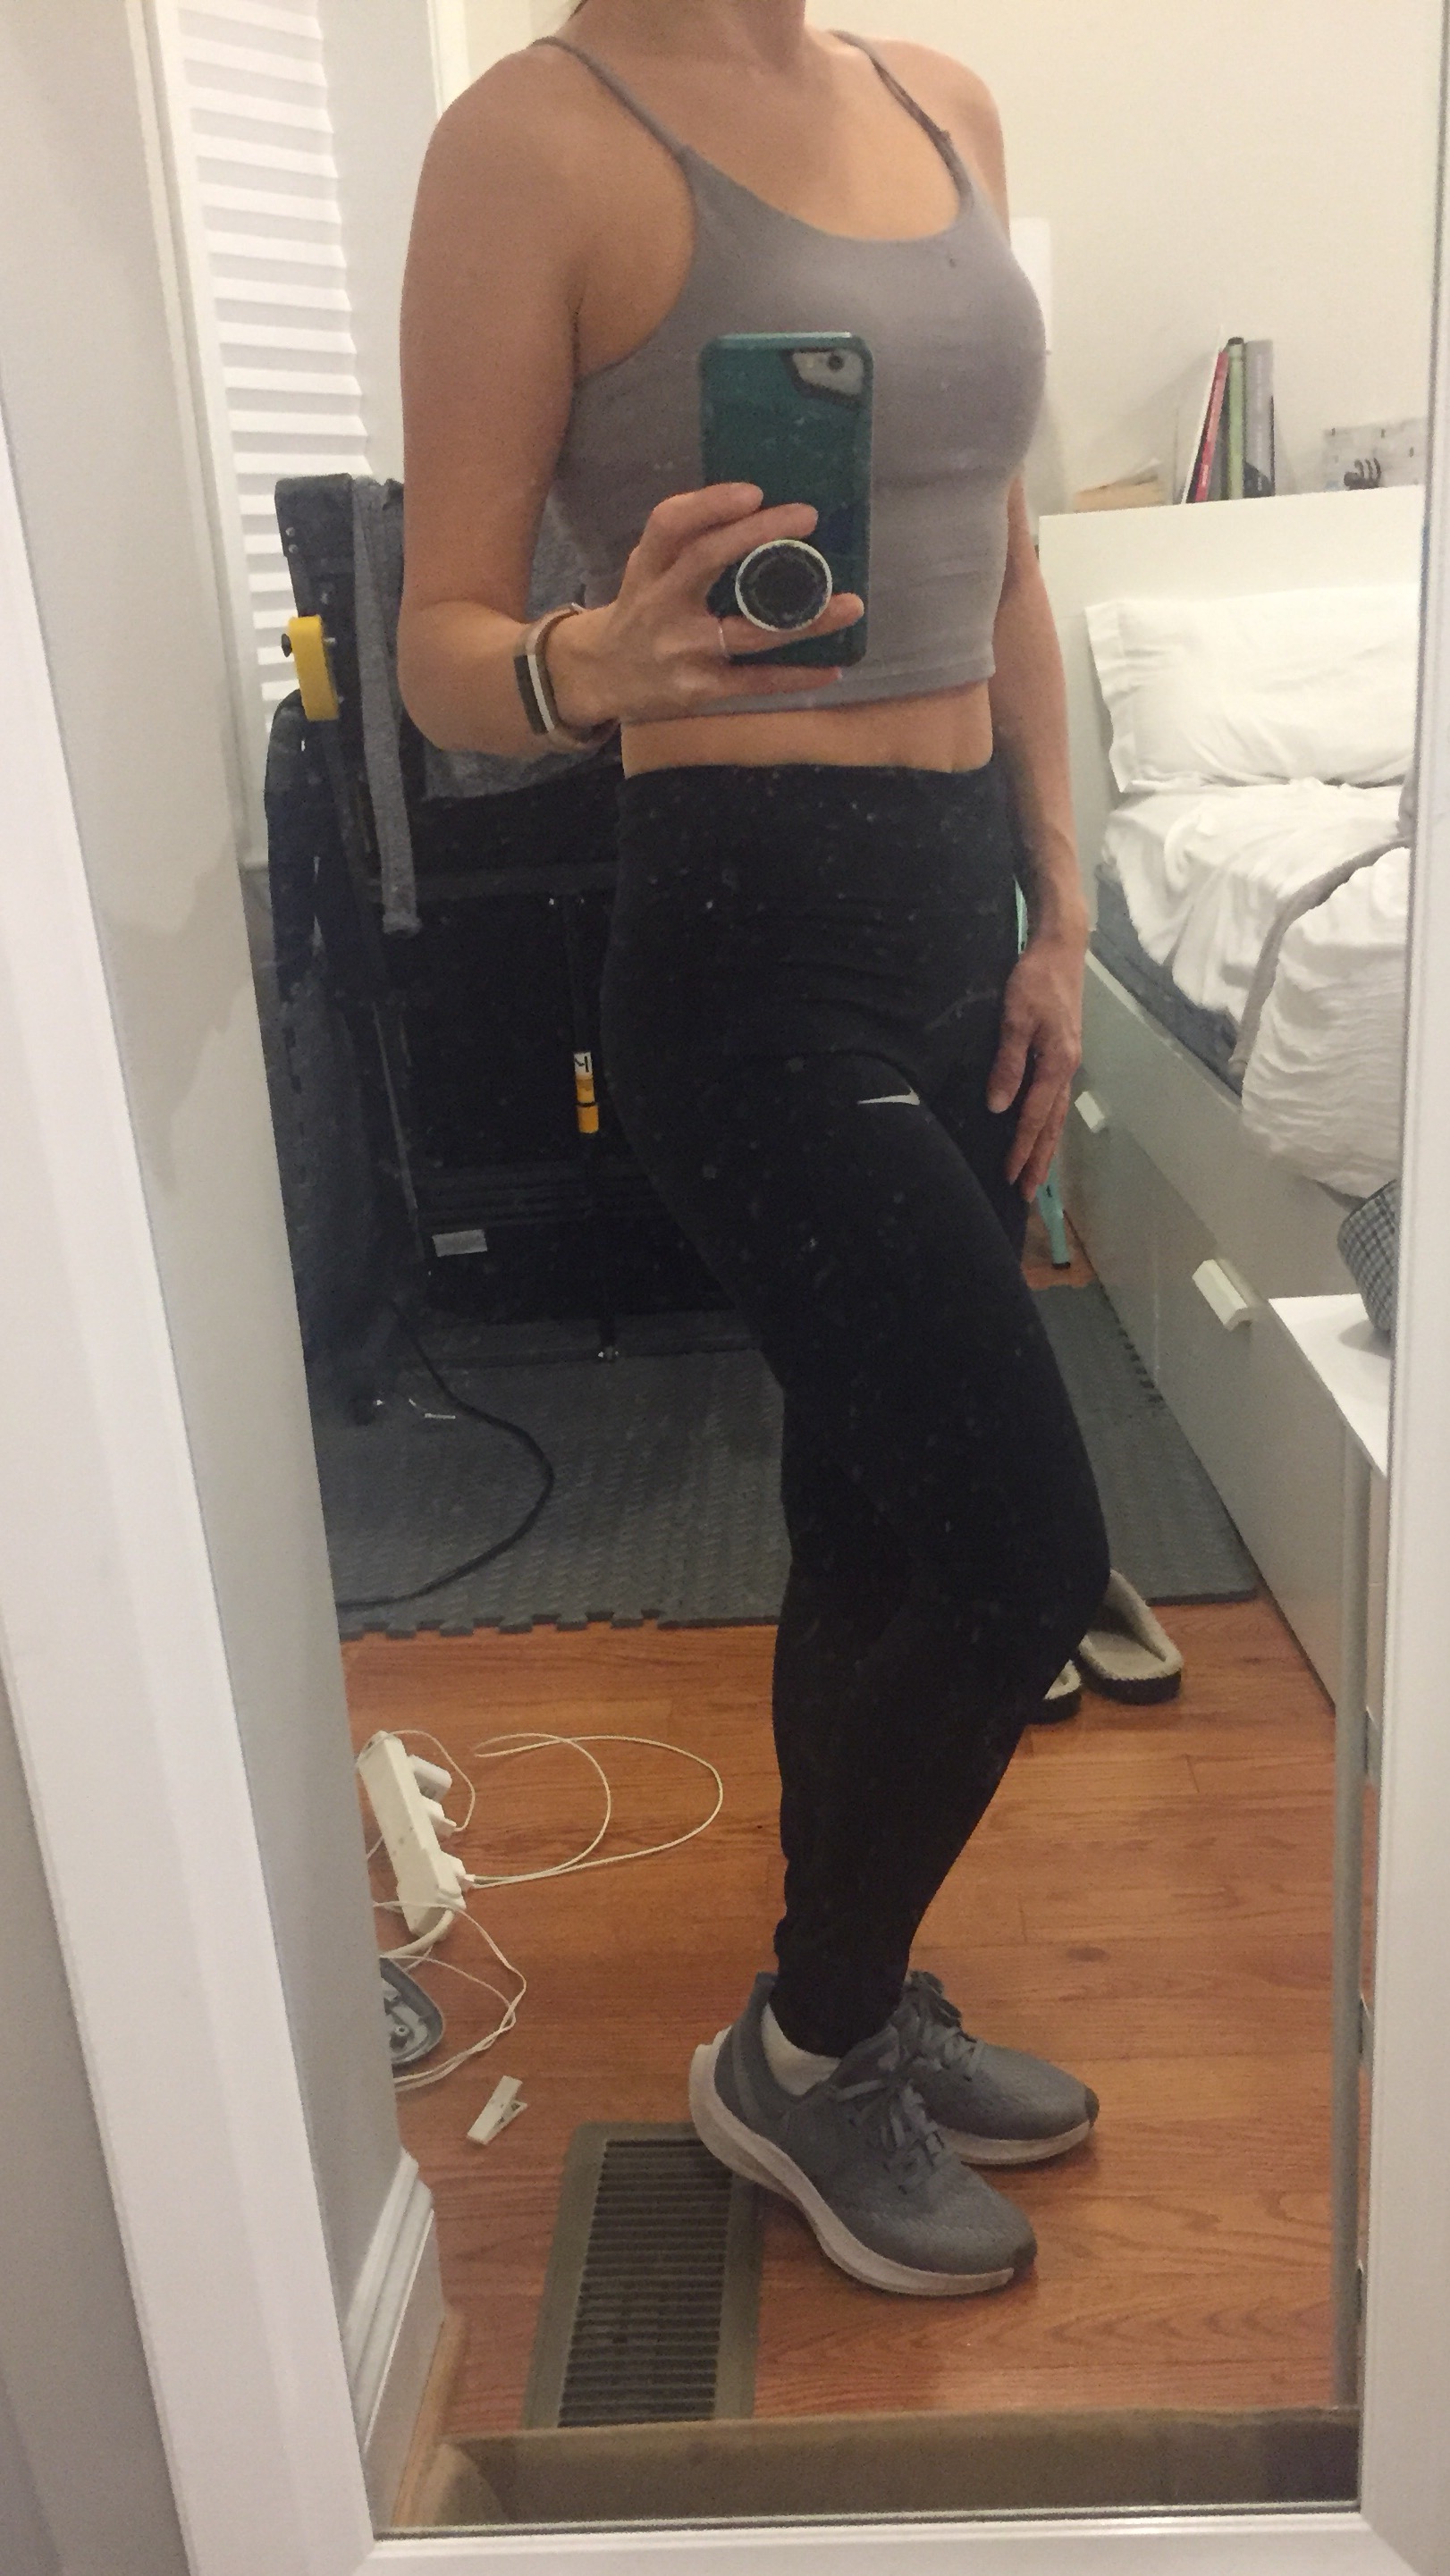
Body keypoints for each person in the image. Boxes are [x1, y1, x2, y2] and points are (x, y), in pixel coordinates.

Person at [398, 0, 1111, 2299]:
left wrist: (1058, 912)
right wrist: (578, 666)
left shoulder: (940, 99)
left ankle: (852, 1993)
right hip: (741, 944)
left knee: (876, 1523)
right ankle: (801, 2055)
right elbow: (437, 639)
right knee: (1023, 1551)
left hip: (954, 909)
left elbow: (1005, 558)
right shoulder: (533, 141)